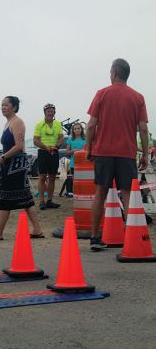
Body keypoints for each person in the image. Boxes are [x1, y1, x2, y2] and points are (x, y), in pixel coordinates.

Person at [86, 58, 148, 251]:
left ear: (113, 73)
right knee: (129, 194)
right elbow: (143, 128)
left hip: (103, 152)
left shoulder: (102, 94)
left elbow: (91, 125)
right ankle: (132, 237)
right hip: (126, 152)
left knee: (100, 193)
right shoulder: (137, 97)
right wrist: (145, 153)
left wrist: (89, 147)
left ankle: (95, 237)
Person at [0, 96, 43, 240]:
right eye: (1, 105)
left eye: (6, 105)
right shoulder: (8, 123)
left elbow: (19, 146)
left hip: (15, 165)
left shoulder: (17, 122)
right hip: (11, 164)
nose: (3, 107)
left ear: (14, 107)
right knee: (25, 198)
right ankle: (37, 229)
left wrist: (3, 157)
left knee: (6, 198)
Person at [33, 103, 64, 210]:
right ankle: (42, 201)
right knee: (42, 177)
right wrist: (46, 147)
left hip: (54, 151)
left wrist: (56, 147)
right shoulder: (39, 124)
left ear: (54, 112)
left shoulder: (58, 124)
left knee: (52, 177)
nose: (50, 113)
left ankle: (49, 200)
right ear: (45, 112)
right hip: (43, 152)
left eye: (52, 111)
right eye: (48, 111)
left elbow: (61, 138)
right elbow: (35, 141)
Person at [65, 122, 87, 197]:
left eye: (78, 128)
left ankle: (84, 194)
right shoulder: (70, 139)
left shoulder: (86, 139)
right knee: (76, 181)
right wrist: (74, 151)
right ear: (73, 130)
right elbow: (67, 152)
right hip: (74, 164)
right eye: (75, 129)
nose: (77, 130)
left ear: (81, 129)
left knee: (85, 180)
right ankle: (77, 194)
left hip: (85, 164)